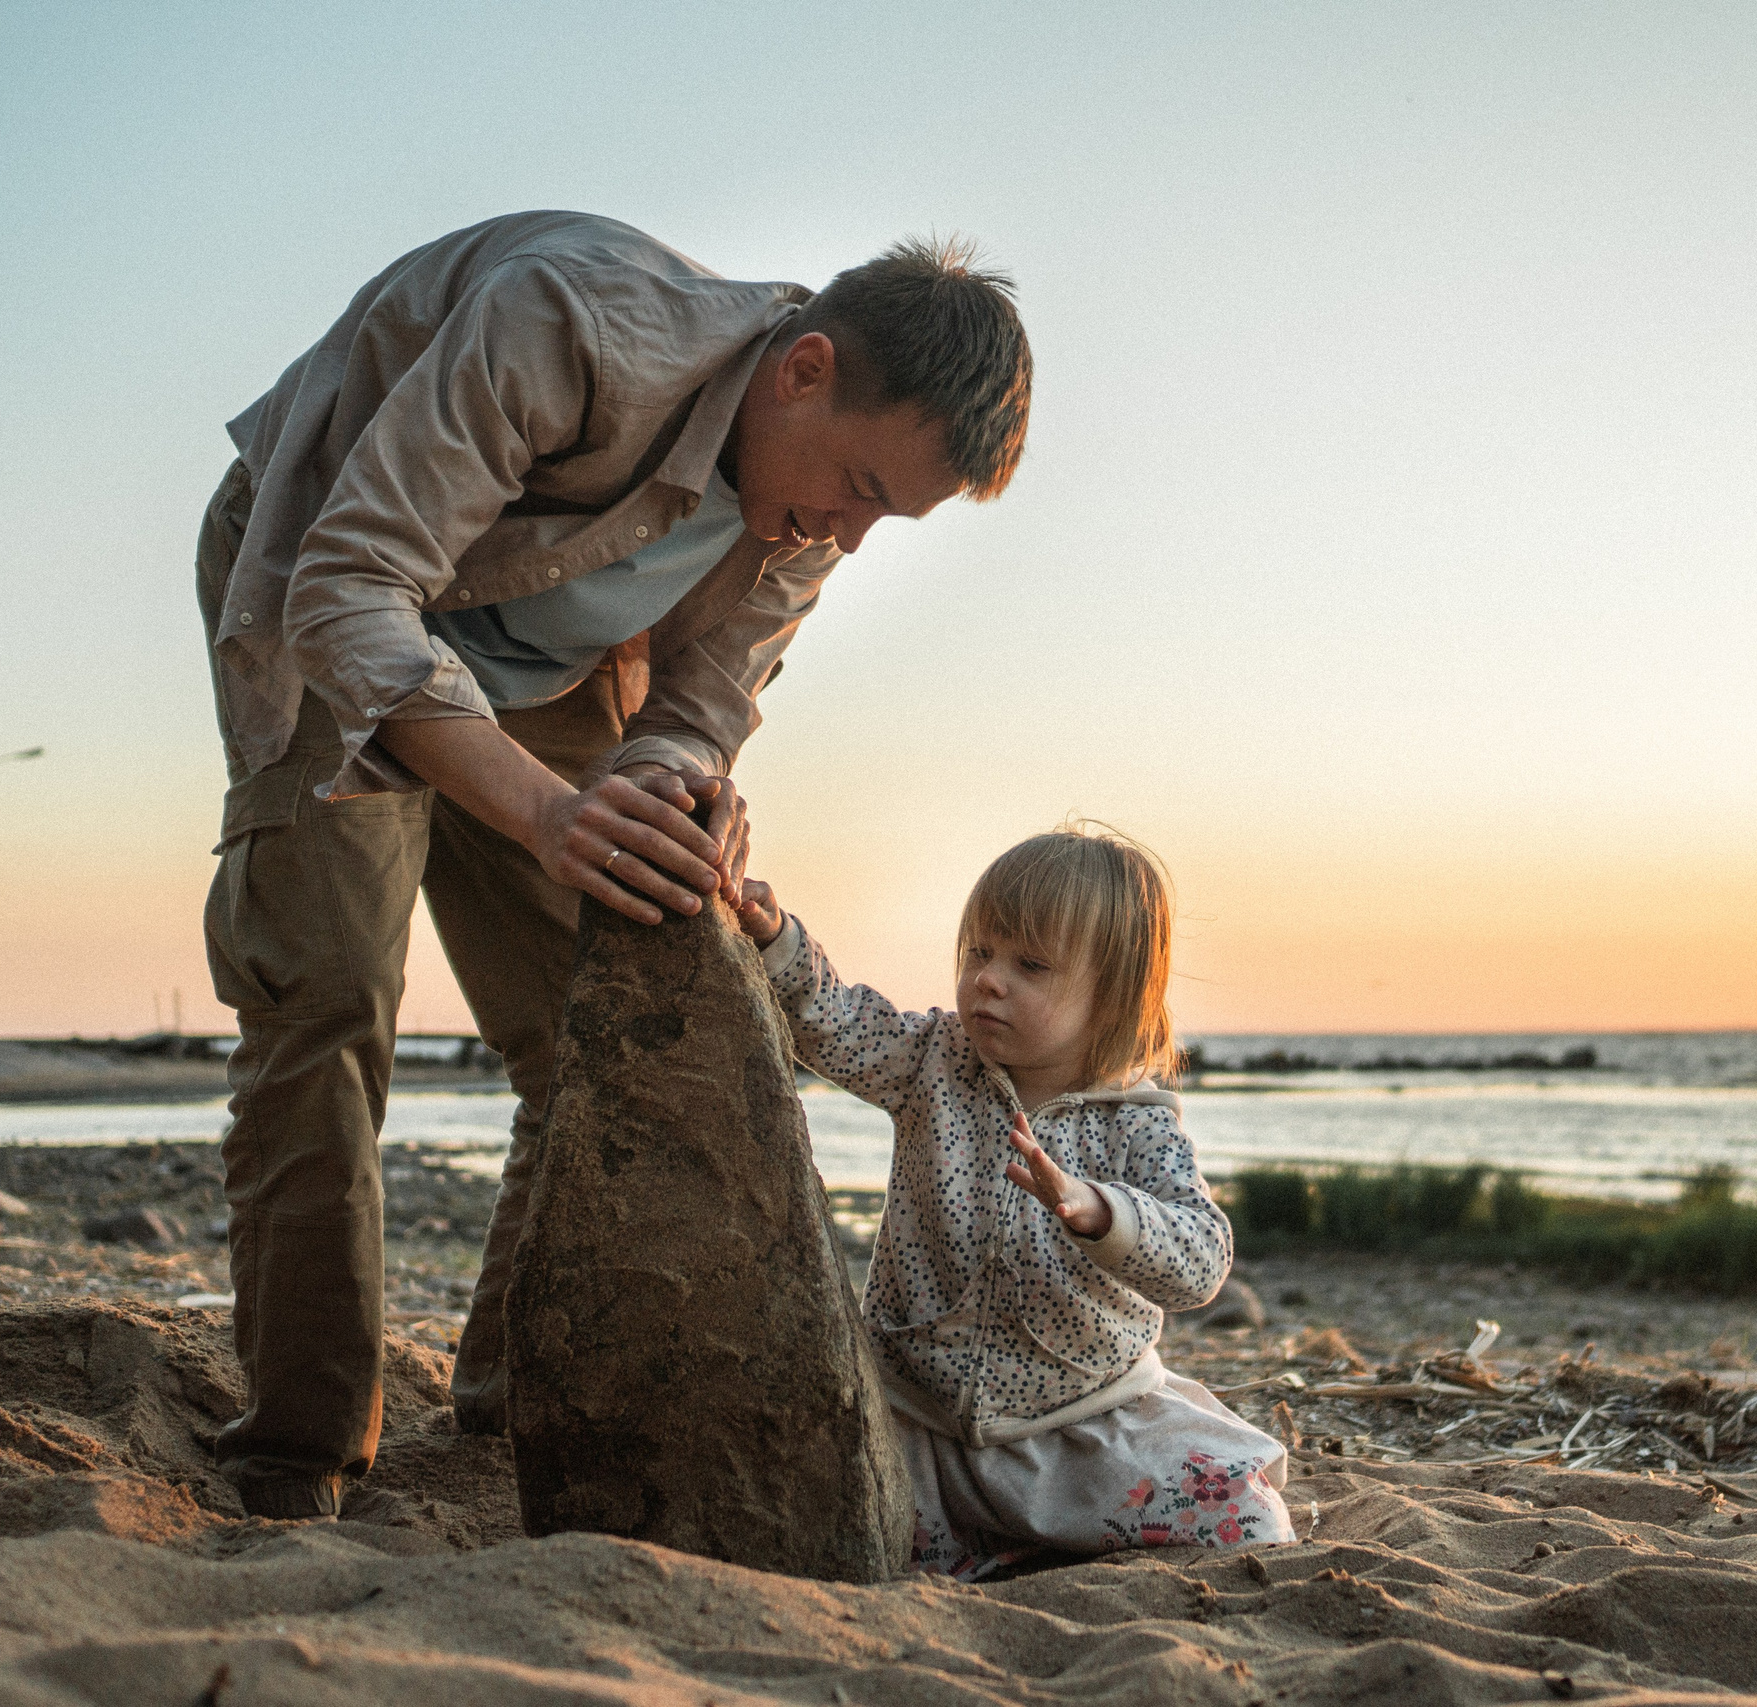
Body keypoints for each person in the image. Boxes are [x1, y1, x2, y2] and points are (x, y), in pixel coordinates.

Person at [195, 211, 1032, 1519]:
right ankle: (297, 1454)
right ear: (804, 367)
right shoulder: (569, 325)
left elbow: (697, 708)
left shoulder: (804, 520)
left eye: (888, 522)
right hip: (328, 577)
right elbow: (354, 584)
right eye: (862, 491)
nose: (847, 539)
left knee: (598, 1020)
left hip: (538, 664)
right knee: (330, 996)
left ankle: (509, 1396)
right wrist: (542, 813)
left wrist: (674, 797)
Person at [732, 827, 1297, 1577]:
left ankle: (1038, 1539)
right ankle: (998, 1549)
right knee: (849, 1535)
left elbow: (1201, 1260)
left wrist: (1096, 1211)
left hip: (1083, 1426)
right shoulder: (931, 1059)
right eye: (979, 953)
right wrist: (777, 940)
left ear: (1113, 996)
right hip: (919, 1418)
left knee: (1250, 1520)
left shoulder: (1136, 1119)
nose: (988, 980)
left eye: (1029, 964)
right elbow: (838, 1024)